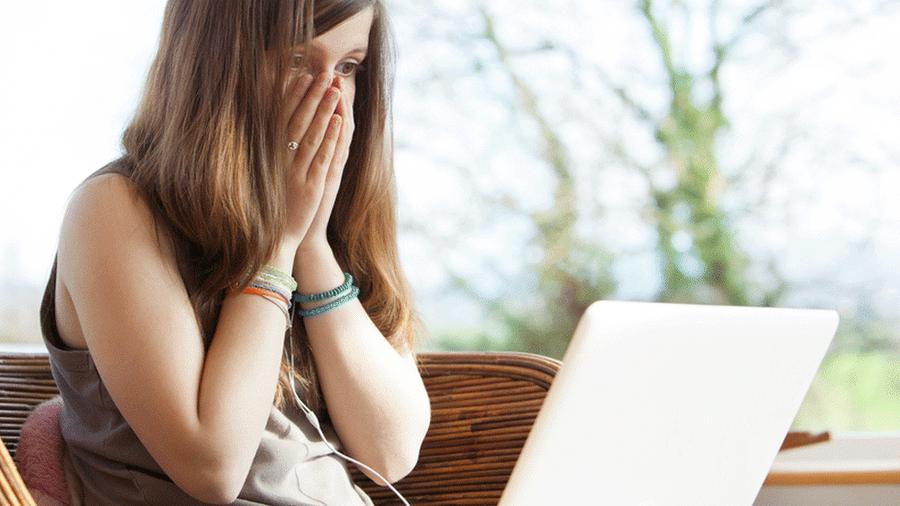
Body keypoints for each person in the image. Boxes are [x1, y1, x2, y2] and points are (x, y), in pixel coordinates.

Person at [37, 0, 431, 504]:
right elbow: (213, 468)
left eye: (348, 67)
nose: (331, 97)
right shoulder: (114, 209)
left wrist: (311, 243)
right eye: (296, 62)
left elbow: (391, 452)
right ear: (215, 64)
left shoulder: (332, 216)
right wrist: (278, 245)